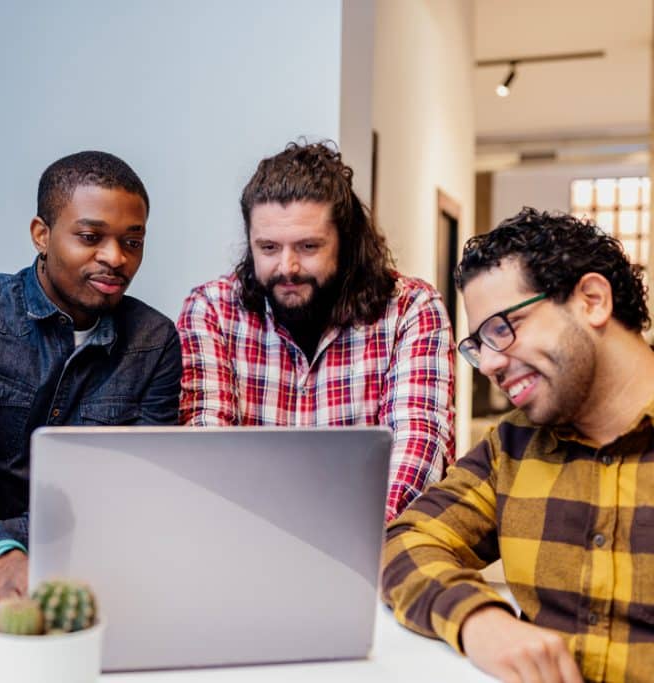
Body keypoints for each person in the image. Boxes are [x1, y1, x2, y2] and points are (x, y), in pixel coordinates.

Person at [0, 151, 182, 602]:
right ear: (41, 235)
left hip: (77, 584)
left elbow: (132, 495)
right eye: (90, 236)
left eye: (132, 242)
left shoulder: (153, 341)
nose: (115, 258)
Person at [382, 207, 654, 683]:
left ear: (592, 300)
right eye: (479, 344)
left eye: (503, 329)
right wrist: (478, 620)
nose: (488, 364)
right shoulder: (512, 447)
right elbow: (405, 541)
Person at [177, 141, 454, 520]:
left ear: (346, 243)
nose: (287, 267)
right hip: (244, 538)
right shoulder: (212, 310)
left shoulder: (410, 309)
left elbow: (418, 444)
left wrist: (358, 539)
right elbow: (205, 448)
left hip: (375, 545)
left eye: (308, 246)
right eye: (269, 247)